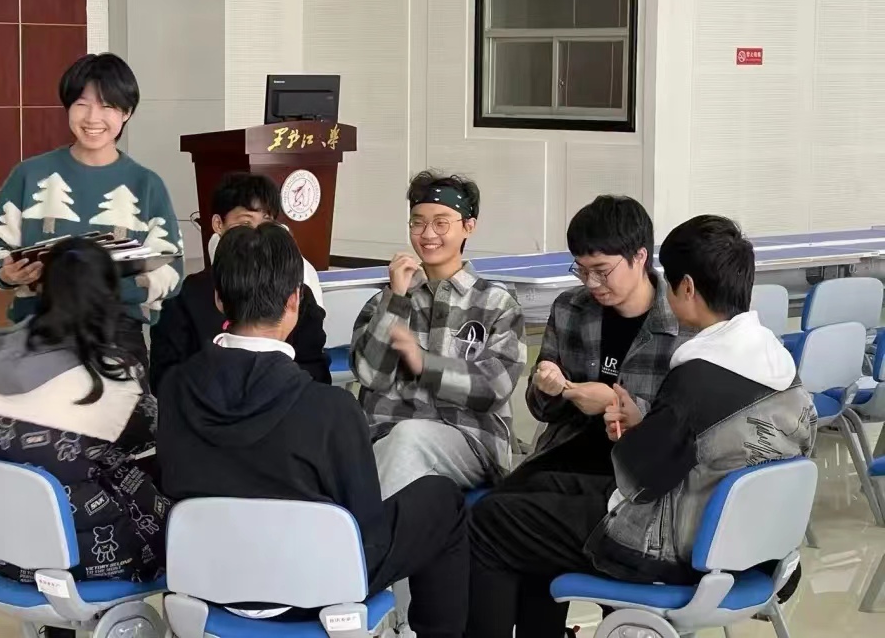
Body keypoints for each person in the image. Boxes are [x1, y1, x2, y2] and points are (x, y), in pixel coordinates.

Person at [466, 215, 817, 638]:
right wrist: (644, 421)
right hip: (741, 538)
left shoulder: (700, 373)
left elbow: (638, 478)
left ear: (687, 287)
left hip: (669, 542)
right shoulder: (780, 364)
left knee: (491, 519)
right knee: (539, 489)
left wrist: (624, 420)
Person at [156, 223, 469, 638]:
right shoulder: (330, 409)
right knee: (442, 499)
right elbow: (365, 530)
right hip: (314, 593)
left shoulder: (174, 390)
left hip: (207, 586)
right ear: (295, 300)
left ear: (218, 299)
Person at [0, 238, 168, 593]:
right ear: (110, 299)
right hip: (82, 562)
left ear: (41, 290)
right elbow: (156, 439)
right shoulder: (112, 376)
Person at [0, 53, 183, 367]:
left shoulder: (146, 184)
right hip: (36, 326)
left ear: (127, 113)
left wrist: (111, 289)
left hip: (117, 331)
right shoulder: (28, 175)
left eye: (107, 106)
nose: (92, 118)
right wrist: (5, 273)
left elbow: (171, 270)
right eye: (82, 104)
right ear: (67, 106)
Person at [350, 171, 526, 498]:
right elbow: (370, 375)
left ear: (468, 226)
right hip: (384, 437)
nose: (428, 234)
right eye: (418, 223)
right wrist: (396, 299)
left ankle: (362, 528)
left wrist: (426, 364)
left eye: (441, 223)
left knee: (408, 439)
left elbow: (495, 387)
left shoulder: (497, 303)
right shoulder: (385, 300)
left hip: (469, 441)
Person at [512, 195, 689, 482]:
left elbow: (687, 428)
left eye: (602, 271)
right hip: (564, 456)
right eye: (582, 270)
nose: (591, 283)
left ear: (640, 257)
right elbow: (541, 410)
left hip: (635, 472)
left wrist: (616, 403)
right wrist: (546, 385)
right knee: (496, 501)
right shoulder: (569, 309)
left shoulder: (682, 323)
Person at [149, 172, 330, 387]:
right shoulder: (184, 295)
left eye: (267, 222)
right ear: (218, 224)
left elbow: (315, 369)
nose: (257, 233)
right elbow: (166, 377)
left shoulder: (296, 293)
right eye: (245, 222)